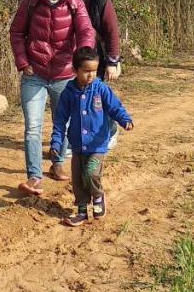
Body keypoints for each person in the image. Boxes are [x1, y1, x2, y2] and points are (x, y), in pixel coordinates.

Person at [9, 0, 95, 196]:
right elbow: (16, 32)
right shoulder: (31, 2)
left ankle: (57, 164)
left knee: (63, 123)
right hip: (34, 74)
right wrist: (23, 62)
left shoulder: (75, 3)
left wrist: (82, 59)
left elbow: (86, 31)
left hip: (64, 74)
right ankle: (34, 177)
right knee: (32, 128)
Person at [49, 47, 133, 227]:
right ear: (75, 70)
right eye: (86, 71)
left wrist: (124, 119)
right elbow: (60, 120)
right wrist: (56, 142)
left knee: (91, 173)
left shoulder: (101, 89)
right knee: (78, 180)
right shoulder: (68, 92)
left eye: (94, 71)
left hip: (97, 145)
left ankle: (98, 196)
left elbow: (114, 107)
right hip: (78, 145)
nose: (91, 75)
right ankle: (81, 211)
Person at [68, 0, 122, 81]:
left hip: (93, 60)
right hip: (69, 59)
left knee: (92, 96)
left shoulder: (101, 0)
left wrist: (112, 62)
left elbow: (111, 32)